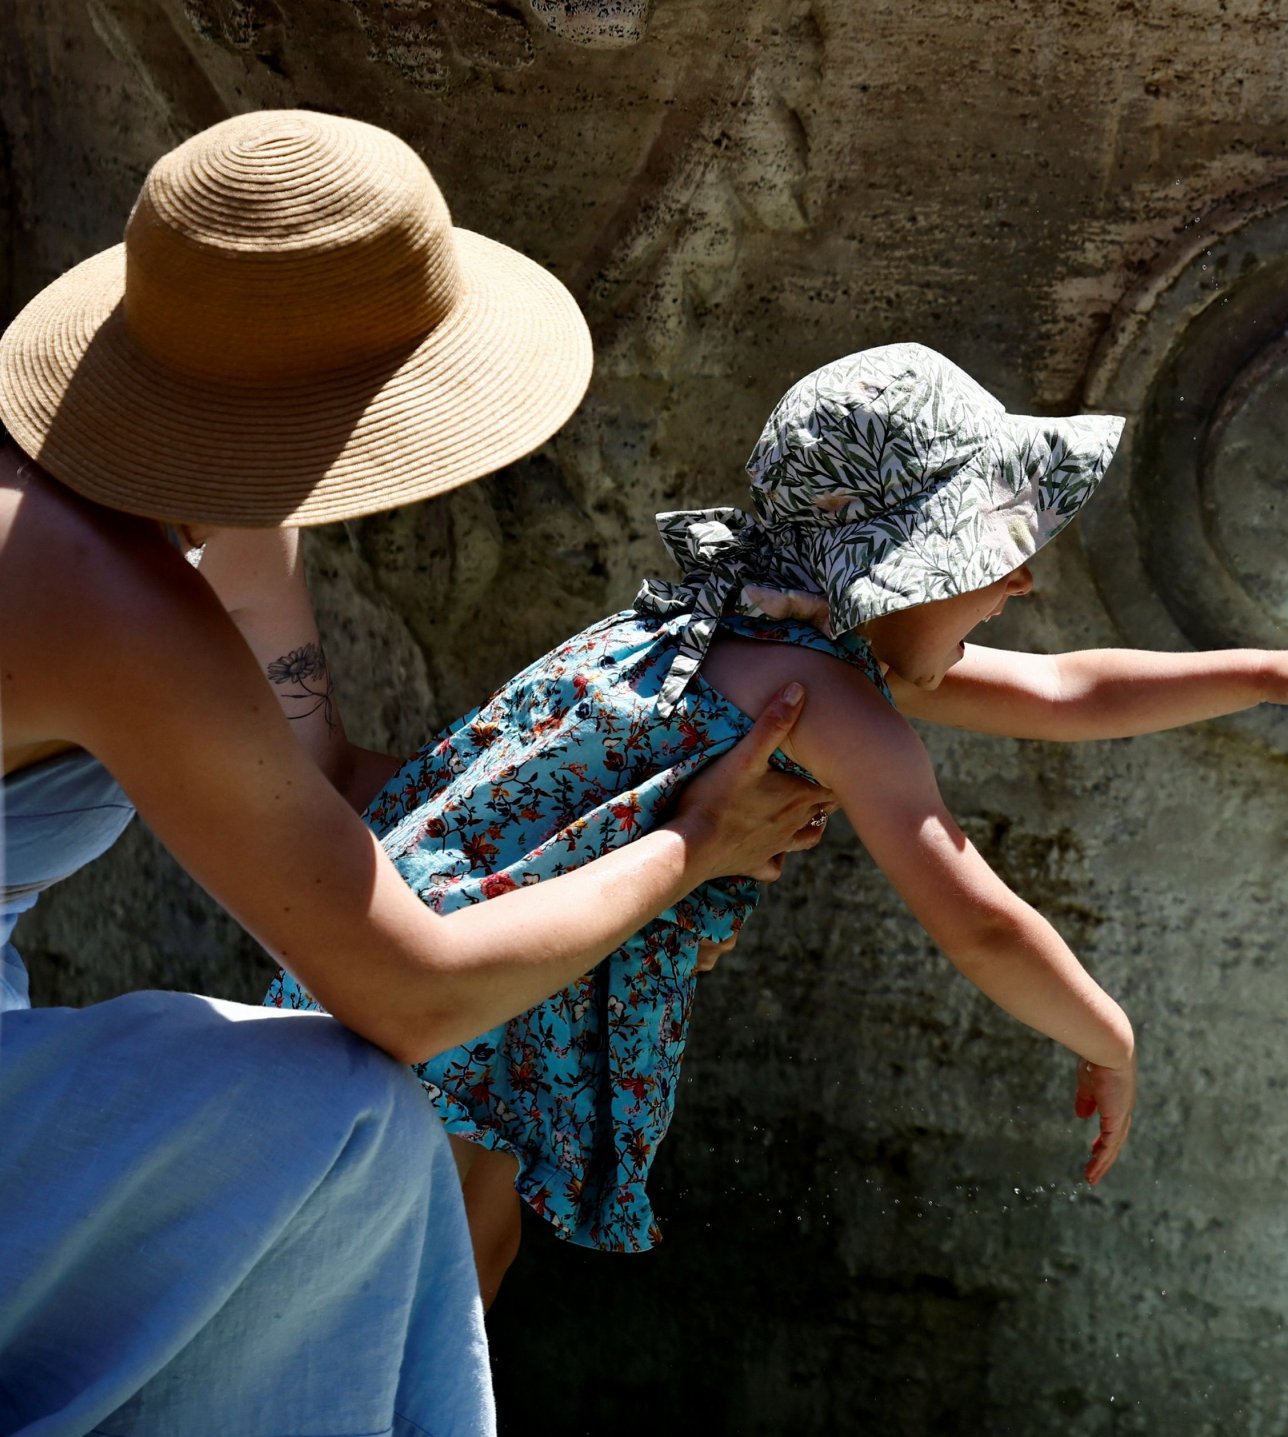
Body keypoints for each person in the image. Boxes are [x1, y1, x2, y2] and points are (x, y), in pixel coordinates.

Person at [269, 342, 1288, 1303]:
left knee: (442, 1257)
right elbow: (972, 917)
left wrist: (1268, 670)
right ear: (899, 567)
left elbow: (1069, 688)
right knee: (443, 1272)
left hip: (410, 939)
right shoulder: (818, 697)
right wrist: (1105, 1036)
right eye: (993, 558)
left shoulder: (743, 624)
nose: (1018, 585)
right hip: (476, 994)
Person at [0, 110, 831, 1436]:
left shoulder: (169, 519)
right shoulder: (108, 596)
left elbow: (315, 775)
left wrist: (581, 826)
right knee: (348, 1118)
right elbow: (407, 998)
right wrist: (686, 852)